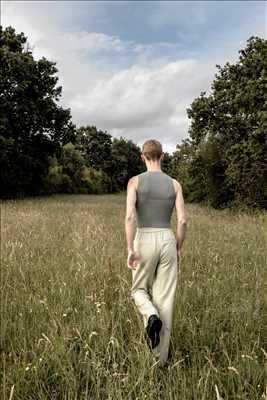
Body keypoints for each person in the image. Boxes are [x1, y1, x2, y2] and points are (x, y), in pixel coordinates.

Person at [125, 139, 187, 367]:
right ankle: (159, 360)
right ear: (162, 156)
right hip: (167, 238)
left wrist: (130, 248)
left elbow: (130, 216)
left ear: (143, 156)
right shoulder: (175, 184)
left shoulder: (135, 182)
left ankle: (151, 315)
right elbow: (182, 219)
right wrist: (178, 246)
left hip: (144, 238)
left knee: (138, 290)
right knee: (165, 298)